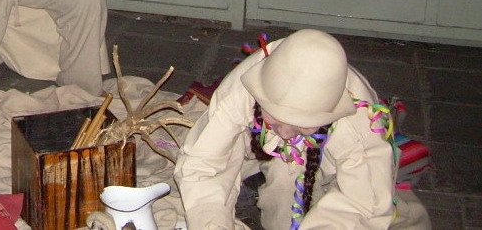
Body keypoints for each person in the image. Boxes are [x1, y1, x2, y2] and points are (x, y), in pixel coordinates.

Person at [174, 29, 431, 230]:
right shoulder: (240, 92)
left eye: (300, 124)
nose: (285, 133)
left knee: (387, 208)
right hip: (260, 139)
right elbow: (203, 167)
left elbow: (364, 203)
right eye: (276, 119)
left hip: (330, 149)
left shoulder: (359, 124)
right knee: (272, 190)